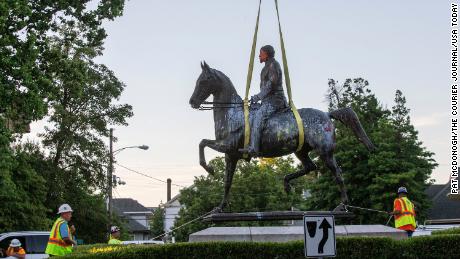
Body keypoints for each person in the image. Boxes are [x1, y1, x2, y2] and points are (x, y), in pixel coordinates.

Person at [241, 45, 288, 157]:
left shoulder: (273, 65)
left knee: (258, 117)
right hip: (267, 101)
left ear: (266, 54)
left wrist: (257, 97)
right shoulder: (265, 68)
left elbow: (270, 86)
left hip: (276, 100)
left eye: (261, 53)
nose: (259, 55)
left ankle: (254, 149)